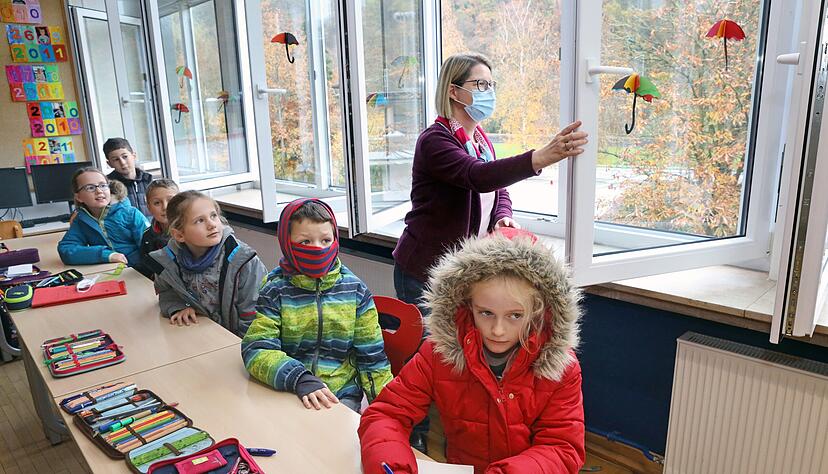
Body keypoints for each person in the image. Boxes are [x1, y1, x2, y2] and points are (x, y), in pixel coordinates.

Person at [392, 51, 588, 453]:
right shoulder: (436, 140)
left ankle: (472, 442)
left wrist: (501, 221)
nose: (488, 92)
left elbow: (497, 192)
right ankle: (412, 445)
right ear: (454, 91)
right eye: (480, 85)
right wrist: (541, 158)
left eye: (491, 85)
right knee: (429, 365)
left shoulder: (480, 138)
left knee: (462, 367)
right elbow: (475, 177)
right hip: (424, 272)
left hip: (461, 274)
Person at [359, 229, 585, 473]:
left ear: (539, 312)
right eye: (486, 313)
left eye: (515, 316)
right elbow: (386, 415)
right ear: (466, 305)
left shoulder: (561, 367)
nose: (498, 330)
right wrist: (390, 466)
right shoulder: (439, 354)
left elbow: (562, 447)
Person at [242, 198, 392, 413]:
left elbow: (372, 358)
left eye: (325, 240)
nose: (317, 249)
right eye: (305, 242)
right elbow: (257, 348)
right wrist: (299, 378)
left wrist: (387, 412)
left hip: (340, 394)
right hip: (290, 388)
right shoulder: (276, 289)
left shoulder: (355, 291)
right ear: (286, 242)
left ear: (335, 240)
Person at [145, 191, 267, 337]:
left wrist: (242, 346)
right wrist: (179, 306)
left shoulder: (245, 262)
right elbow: (167, 291)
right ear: (179, 235)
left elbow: (256, 316)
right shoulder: (168, 261)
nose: (211, 225)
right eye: (199, 221)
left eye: (213, 216)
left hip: (243, 341)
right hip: (202, 337)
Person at [58, 167, 148, 266]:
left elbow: (150, 247)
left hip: (140, 272)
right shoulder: (81, 220)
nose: (99, 191)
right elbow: (66, 250)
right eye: (90, 188)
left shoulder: (131, 214)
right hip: (111, 270)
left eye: (103, 185)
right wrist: (106, 255)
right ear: (79, 197)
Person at [135, 179, 179, 279]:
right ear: (149, 208)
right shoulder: (147, 236)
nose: (165, 207)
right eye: (157, 203)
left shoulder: (189, 233)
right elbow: (146, 266)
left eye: (171, 200)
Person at [103, 137, 153, 218]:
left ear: (134, 155)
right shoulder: (108, 186)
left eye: (125, 156)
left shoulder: (148, 180)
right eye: (116, 159)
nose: (122, 162)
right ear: (109, 164)